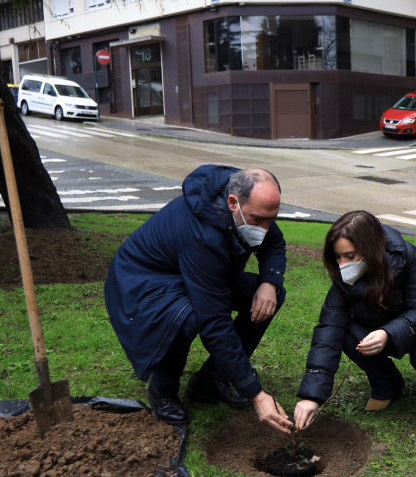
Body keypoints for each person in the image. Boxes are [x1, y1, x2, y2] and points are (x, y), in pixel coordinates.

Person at [104, 165, 294, 433]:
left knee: (270, 296)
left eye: (270, 219)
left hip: (189, 271)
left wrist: (269, 283)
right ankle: (163, 389)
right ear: (232, 203)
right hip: (142, 281)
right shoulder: (202, 236)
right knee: (187, 318)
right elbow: (214, 323)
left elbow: (273, 243)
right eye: (258, 220)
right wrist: (256, 394)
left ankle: (209, 382)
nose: (264, 228)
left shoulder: (247, 206)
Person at [293, 211, 416, 429]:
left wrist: (388, 333)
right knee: (343, 331)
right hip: (380, 320)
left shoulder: (408, 255)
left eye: (350, 256)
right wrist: (313, 396)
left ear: (371, 248)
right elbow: (329, 326)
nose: (342, 264)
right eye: (338, 257)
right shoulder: (343, 276)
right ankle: (386, 382)